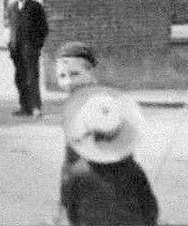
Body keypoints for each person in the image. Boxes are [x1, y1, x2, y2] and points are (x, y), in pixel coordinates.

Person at [56, 41, 158, 226]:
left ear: (92, 74)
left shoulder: (103, 107)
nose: (69, 82)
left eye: (75, 74)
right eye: (62, 76)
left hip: (92, 178)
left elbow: (119, 148)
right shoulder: (73, 106)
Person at [8, 0, 49, 118]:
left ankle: (35, 107)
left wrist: (37, 46)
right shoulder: (12, 8)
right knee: (19, 78)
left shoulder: (35, 6)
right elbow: (12, 28)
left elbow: (43, 28)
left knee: (32, 78)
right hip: (16, 51)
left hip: (30, 50)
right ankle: (24, 106)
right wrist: (11, 45)